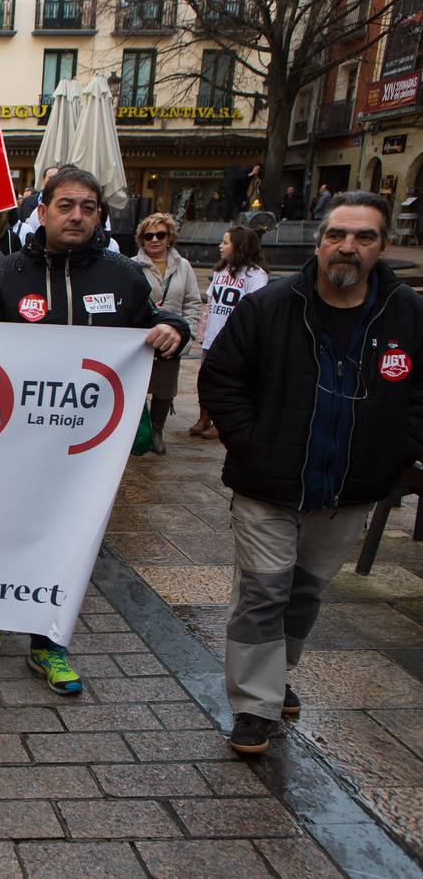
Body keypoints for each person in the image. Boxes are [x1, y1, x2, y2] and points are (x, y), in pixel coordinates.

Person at [198, 192, 423, 754]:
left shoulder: (409, 315)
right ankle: (254, 705)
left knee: (303, 592)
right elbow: (222, 378)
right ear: (320, 242)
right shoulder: (271, 306)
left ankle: (274, 676)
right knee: (264, 590)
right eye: (337, 235)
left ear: (383, 245)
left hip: (349, 489)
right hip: (267, 485)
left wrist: (397, 449)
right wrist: (252, 444)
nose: (347, 247)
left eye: (364, 237)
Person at [0, 167, 188, 694]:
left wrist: (176, 328)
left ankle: (48, 642)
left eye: (88, 207)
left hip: (85, 449)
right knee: (3, 526)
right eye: (65, 206)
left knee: (68, 541)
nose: (76, 215)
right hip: (11, 439)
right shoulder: (7, 272)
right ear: (43, 211)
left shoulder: (122, 275)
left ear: (100, 215)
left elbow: (155, 322)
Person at [131, 213, 202, 454]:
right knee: (138, 387)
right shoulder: (131, 265)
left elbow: (193, 302)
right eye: (148, 235)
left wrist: (188, 334)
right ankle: (139, 430)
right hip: (143, 339)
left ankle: (158, 430)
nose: (154, 240)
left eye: (160, 235)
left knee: (165, 388)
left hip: (173, 340)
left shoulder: (183, 266)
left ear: (169, 237)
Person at [190, 226, 268, 440]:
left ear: (240, 246)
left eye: (225, 242)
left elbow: (257, 307)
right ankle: (204, 415)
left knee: (228, 381)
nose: (220, 246)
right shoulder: (219, 271)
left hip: (235, 338)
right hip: (212, 336)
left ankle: (221, 422)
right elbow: (211, 304)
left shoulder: (254, 275)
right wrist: (204, 332)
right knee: (205, 377)